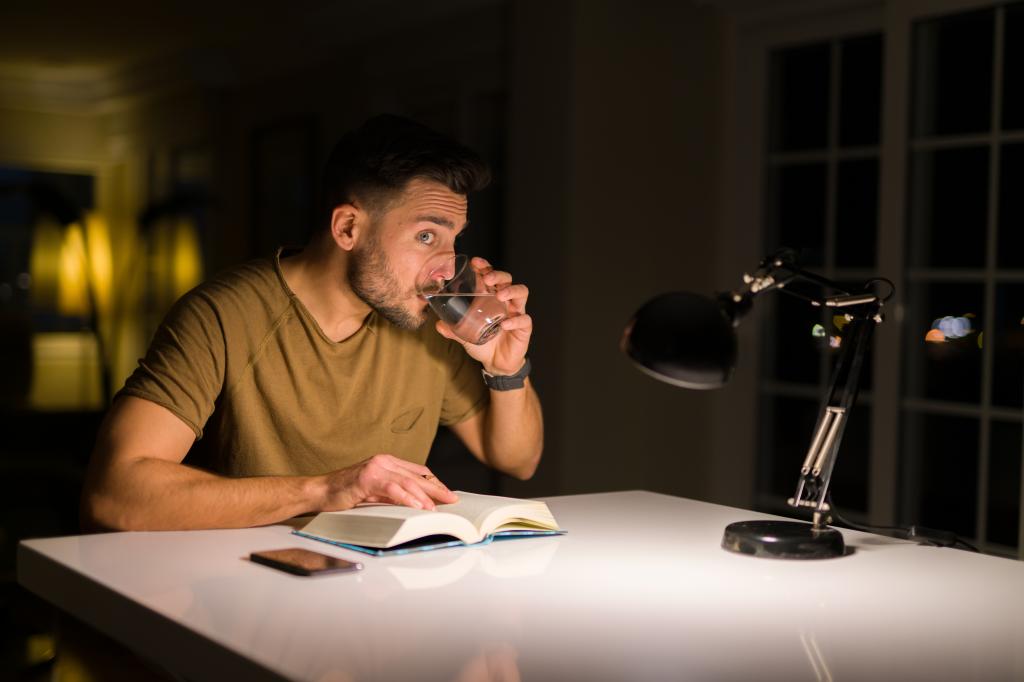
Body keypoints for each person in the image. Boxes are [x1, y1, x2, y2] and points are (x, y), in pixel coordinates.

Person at [81, 115, 543, 531]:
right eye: (426, 236)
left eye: (452, 241)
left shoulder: (426, 324)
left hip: (379, 591)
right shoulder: (222, 315)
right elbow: (114, 493)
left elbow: (517, 460)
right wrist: (326, 491)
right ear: (347, 228)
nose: (446, 269)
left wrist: (505, 369)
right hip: (241, 589)